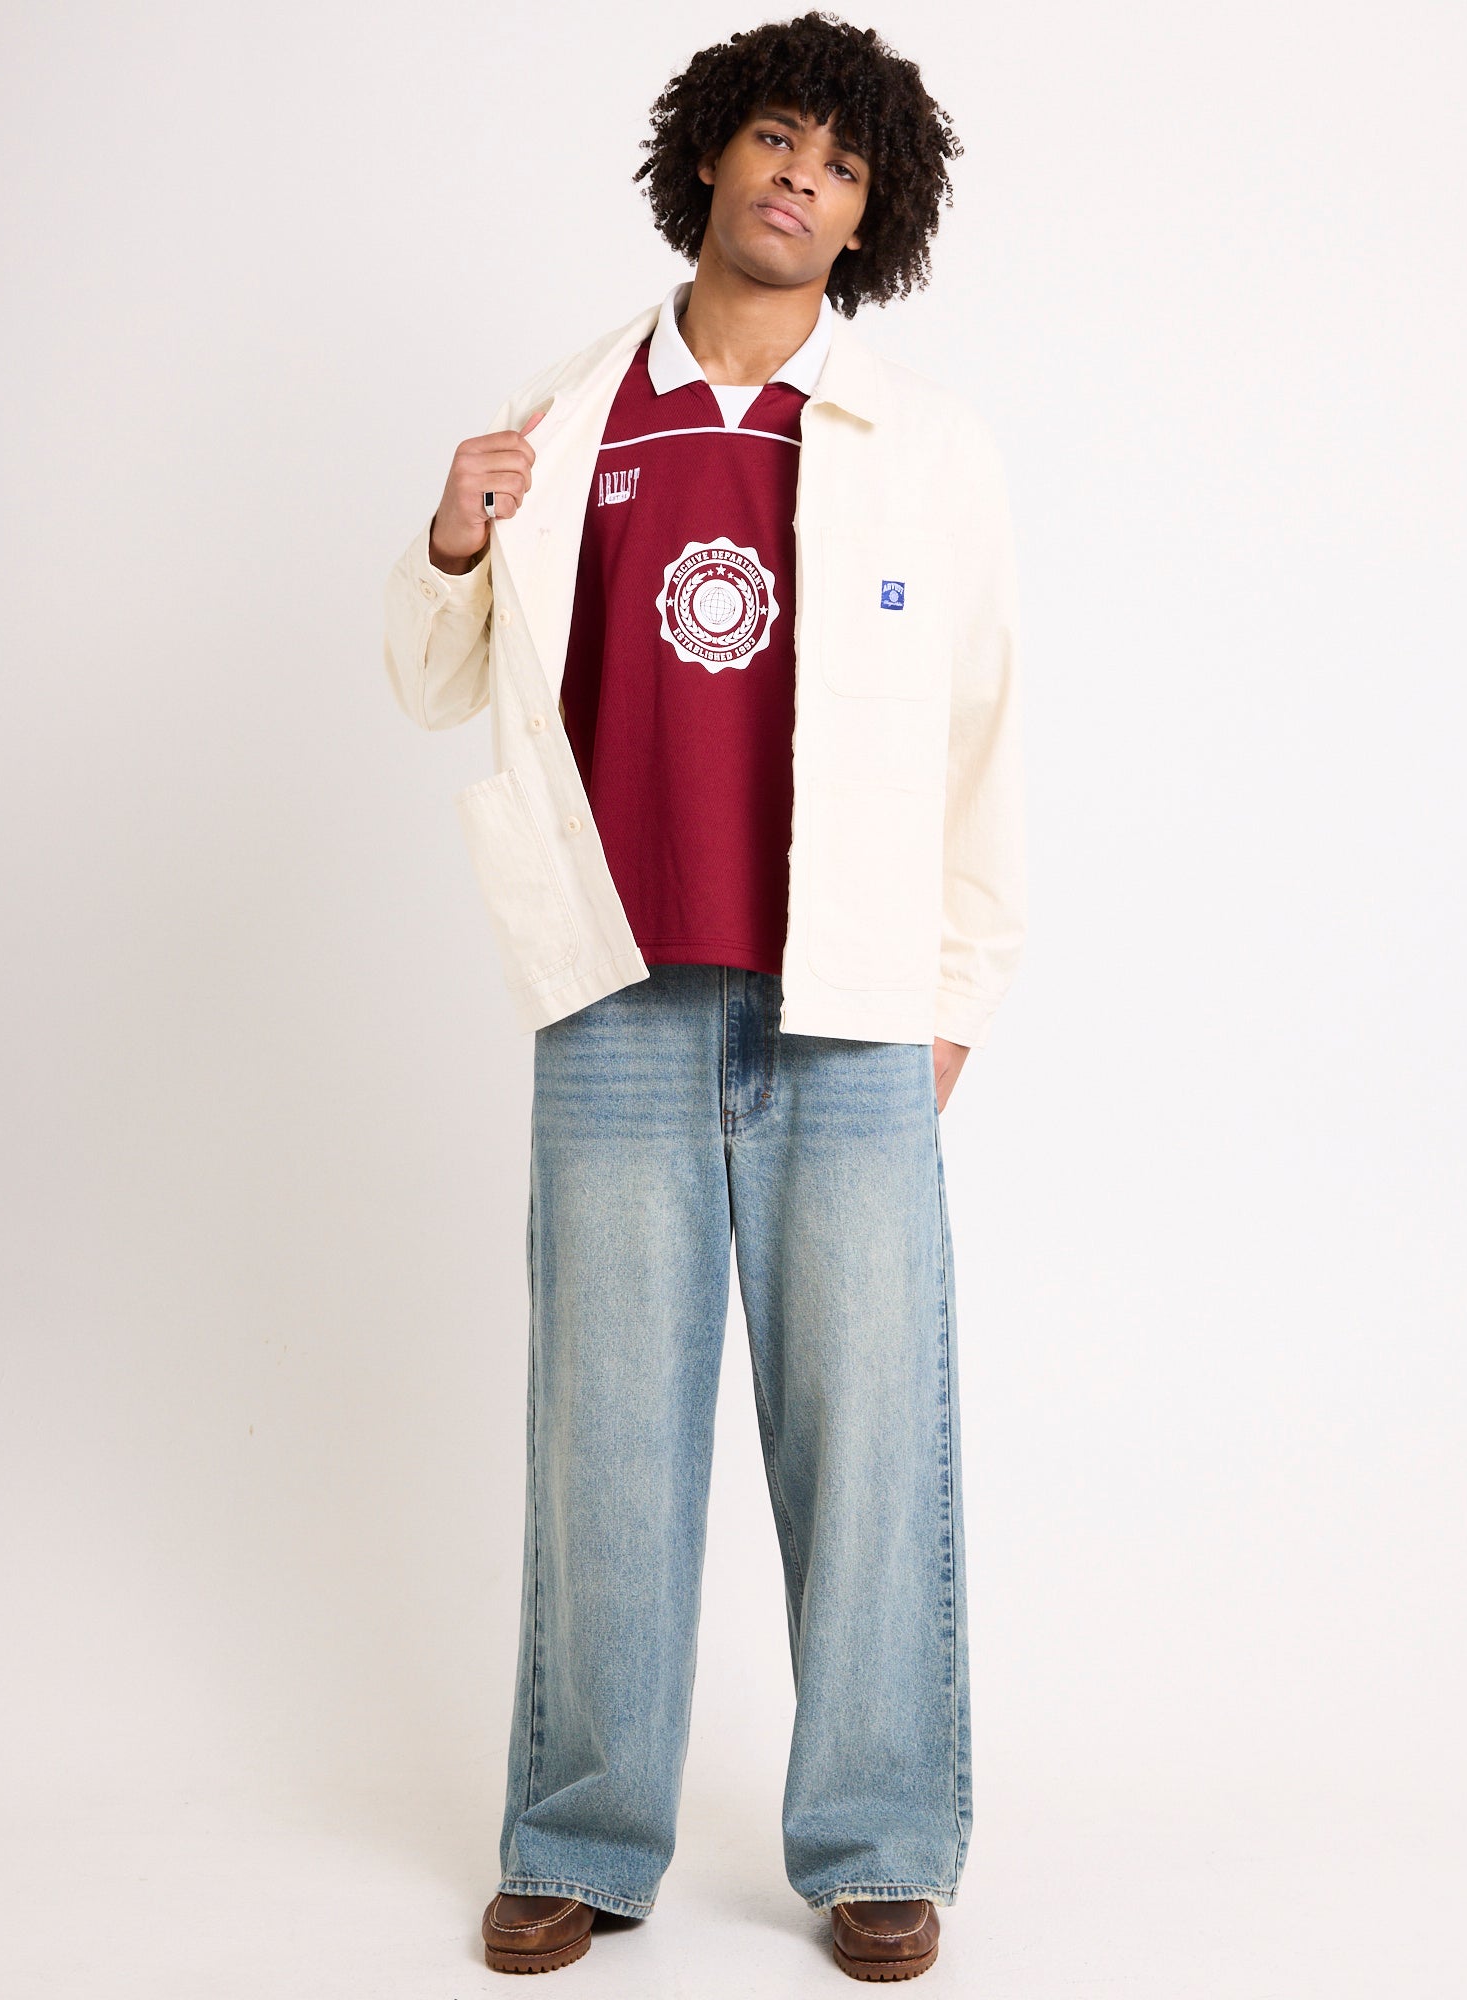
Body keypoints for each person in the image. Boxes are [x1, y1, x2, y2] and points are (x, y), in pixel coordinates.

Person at [381, 12, 1026, 1980]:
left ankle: (880, 1840)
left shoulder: (925, 446)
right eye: (775, 139)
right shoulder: (570, 414)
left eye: (841, 164)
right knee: (607, 1441)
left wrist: (951, 1001)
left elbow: (984, 742)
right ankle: (578, 1835)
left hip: (848, 1009)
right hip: (618, 999)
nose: (799, 178)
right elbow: (433, 684)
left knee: (872, 1442)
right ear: (711, 160)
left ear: (870, 218)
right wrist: (452, 538)